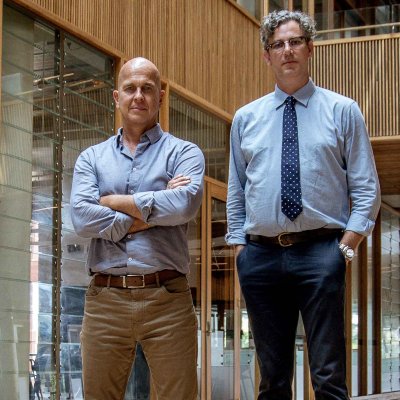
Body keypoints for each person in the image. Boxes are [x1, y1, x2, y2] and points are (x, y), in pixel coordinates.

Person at [226, 10, 380, 400]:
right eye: (278, 44)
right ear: (267, 56)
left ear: (310, 49)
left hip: (321, 252)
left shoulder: (343, 110)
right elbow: (236, 190)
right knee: (272, 379)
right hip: (260, 256)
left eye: (295, 42)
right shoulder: (246, 118)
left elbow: (366, 189)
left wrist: (344, 249)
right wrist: (240, 248)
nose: (287, 50)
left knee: (328, 376)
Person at [70, 57, 204, 400]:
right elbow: (82, 218)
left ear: (160, 96)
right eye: (130, 88)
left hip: (168, 299)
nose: (138, 96)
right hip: (105, 300)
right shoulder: (91, 158)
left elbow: (185, 204)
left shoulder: (184, 153)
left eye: (147, 88)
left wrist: (112, 201)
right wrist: (154, 209)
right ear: (117, 97)